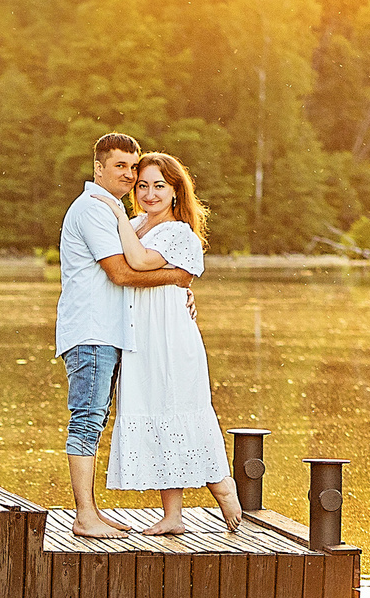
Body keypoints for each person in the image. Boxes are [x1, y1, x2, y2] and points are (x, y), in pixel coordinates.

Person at [86, 152, 245, 535]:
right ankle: (172, 515)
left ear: (175, 190)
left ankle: (222, 486)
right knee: (157, 414)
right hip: (140, 336)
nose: (150, 193)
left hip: (170, 338)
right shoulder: (138, 223)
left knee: (180, 409)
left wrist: (116, 211)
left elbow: (138, 263)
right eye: (142, 185)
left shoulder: (178, 232)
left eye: (159, 186)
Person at [56, 134, 199, 540]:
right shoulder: (94, 209)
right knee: (87, 420)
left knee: (95, 419)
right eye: (120, 165)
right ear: (98, 167)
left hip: (109, 332)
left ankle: (92, 512)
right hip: (92, 330)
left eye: (132, 166)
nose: (129, 173)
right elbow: (121, 272)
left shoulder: (115, 210)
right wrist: (179, 276)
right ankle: (85, 517)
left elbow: (146, 261)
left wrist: (181, 289)